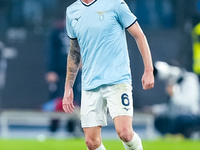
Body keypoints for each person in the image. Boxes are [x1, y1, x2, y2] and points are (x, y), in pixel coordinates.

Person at [63, 0, 154, 150]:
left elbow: (139, 35)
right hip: (90, 83)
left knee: (125, 133)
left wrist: (149, 70)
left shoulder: (115, 4)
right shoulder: (72, 11)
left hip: (117, 80)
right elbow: (74, 51)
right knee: (91, 142)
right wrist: (68, 87)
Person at [151, 61, 200, 138]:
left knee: (181, 120)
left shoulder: (189, 79)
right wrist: (155, 109)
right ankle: (175, 136)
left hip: (192, 116)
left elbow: (189, 104)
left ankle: (187, 134)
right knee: (159, 121)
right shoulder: (172, 83)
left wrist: (174, 95)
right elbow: (170, 107)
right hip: (176, 117)